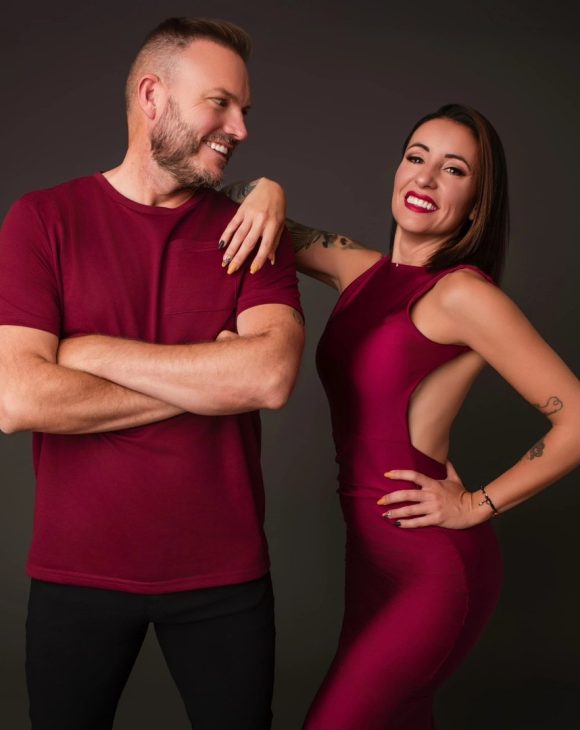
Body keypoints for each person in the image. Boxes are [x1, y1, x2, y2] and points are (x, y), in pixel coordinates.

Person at [221, 104, 580, 729]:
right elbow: (233, 207)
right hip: (367, 563)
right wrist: (268, 188)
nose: (426, 178)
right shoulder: (356, 268)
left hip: (432, 572)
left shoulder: (463, 294)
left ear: (477, 204)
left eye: (454, 169)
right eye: (417, 157)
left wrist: (476, 505)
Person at [0, 17, 304, 730]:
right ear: (151, 96)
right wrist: (209, 380)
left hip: (224, 577)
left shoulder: (252, 230)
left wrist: (88, 350)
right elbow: (18, 397)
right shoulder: (42, 220)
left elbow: (267, 378)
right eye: (220, 103)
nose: (240, 128)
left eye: (244, 110)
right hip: (76, 572)